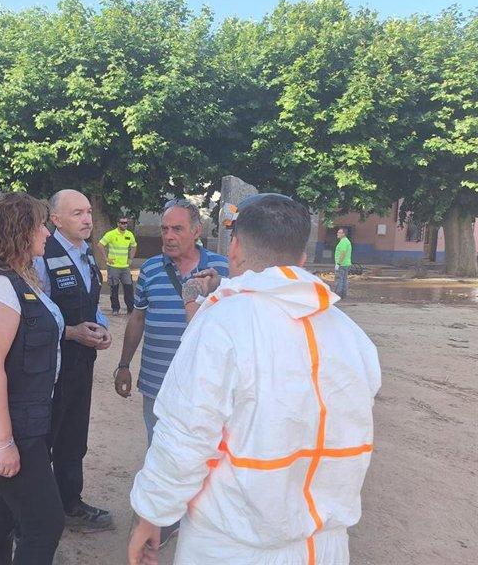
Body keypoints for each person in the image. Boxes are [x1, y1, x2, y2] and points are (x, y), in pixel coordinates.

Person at [128, 194, 381, 565]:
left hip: (232, 544)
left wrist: (152, 514)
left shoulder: (221, 324)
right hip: (324, 545)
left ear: (234, 249)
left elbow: (187, 435)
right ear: (302, 257)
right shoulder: (351, 335)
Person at [0, 192, 66, 564]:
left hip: (23, 415)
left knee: (3, 505)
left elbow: (24, 335)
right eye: (40, 225)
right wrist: (3, 444)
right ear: (19, 231)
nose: (47, 233)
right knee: (44, 523)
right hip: (9, 423)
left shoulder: (17, 277)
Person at [113, 198, 228, 546]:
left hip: (207, 386)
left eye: (177, 229)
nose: (168, 236)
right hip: (157, 382)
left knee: (209, 452)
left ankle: (202, 518)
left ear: (197, 231)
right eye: (164, 229)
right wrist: (123, 365)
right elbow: (138, 317)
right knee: (159, 449)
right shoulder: (150, 269)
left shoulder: (222, 269)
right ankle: (165, 520)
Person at [33, 189, 114, 532]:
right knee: (44, 440)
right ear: (55, 219)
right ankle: (37, 519)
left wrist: (102, 327)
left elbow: (90, 302)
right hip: (51, 367)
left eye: (89, 212)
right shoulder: (42, 256)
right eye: (77, 213)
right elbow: (33, 315)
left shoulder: (87, 254)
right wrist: (71, 332)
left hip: (82, 364)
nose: (87, 219)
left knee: (74, 436)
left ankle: (70, 503)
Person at [97, 216, 138, 315]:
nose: (124, 225)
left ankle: (130, 308)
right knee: (114, 288)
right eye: (122, 223)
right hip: (113, 266)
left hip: (125, 267)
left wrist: (131, 258)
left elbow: (134, 246)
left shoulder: (129, 234)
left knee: (128, 288)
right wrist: (106, 258)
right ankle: (115, 308)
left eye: (126, 223)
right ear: (118, 224)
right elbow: (100, 244)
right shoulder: (111, 234)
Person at [334, 228, 352, 298]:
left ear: (343, 234)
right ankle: (343, 295)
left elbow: (343, 253)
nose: (337, 233)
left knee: (339, 280)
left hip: (341, 264)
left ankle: (337, 295)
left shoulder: (343, 242)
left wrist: (338, 263)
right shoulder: (347, 241)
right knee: (344, 280)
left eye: (339, 232)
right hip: (346, 264)